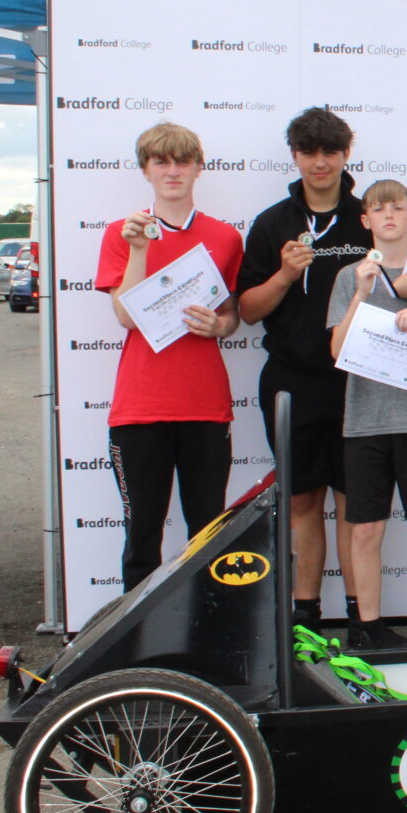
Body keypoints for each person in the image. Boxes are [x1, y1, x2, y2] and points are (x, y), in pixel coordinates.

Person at [236, 107, 372, 628]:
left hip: (357, 381)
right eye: (309, 152)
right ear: (294, 156)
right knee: (301, 503)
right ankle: (305, 615)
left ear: (345, 155)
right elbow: (247, 310)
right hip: (291, 382)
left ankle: (363, 616)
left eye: (330, 152)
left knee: (355, 506)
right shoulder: (273, 223)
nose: (320, 163)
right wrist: (285, 276)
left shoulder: (367, 217)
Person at [95, 121, 244, 592]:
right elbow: (125, 314)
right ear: (146, 170)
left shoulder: (225, 238)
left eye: (183, 161)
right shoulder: (123, 232)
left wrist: (218, 326)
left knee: (208, 532)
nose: (173, 171)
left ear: (199, 168)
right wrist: (139, 247)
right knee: (142, 536)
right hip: (140, 408)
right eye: (162, 161)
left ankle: (209, 631)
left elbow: (232, 316)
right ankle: (137, 642)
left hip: (204, 405)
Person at [325, 180, 407, 651]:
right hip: (366, 421)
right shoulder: (348, 276)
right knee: (365, 528)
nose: (387, 216)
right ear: (365, 220)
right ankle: (368, 625)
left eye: (397, 208)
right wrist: (362, 295)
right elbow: (337, 351)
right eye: (377, 209)